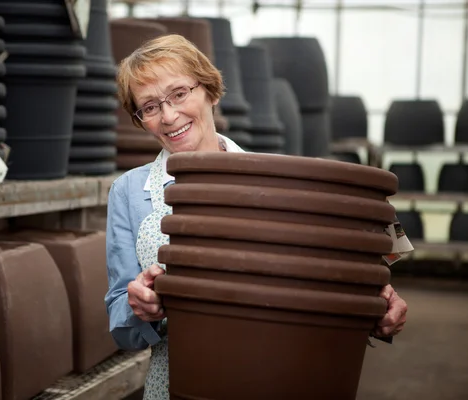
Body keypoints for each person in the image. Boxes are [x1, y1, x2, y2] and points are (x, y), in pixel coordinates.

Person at [105, 34, 408, 400]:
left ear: (211, 91)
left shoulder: (275, 183)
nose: (169, 116)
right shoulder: (128, 193)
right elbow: (120, 321)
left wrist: (377, 308)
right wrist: (140, 308)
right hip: (179, 384)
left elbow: (319, 288)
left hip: (276, 378)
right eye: (150, 107)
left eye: (179, 94)